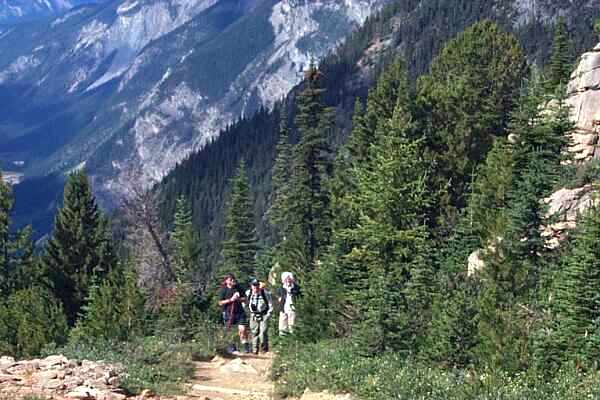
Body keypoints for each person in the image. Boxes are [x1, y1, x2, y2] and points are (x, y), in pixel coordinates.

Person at [218, 273, 250, 353]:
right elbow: (220, 302)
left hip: (239, 312)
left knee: (242, 329)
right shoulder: (223, 290)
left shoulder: (239, 288)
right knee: (230, 330)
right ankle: (231, 348)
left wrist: (239, 299)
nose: (232, 280)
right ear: (226, 281)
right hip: (228, 312)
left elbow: (246, 299)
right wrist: (231, 300)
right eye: (230, 279)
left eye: (233, 279)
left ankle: (246, 347)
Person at [245, 278, 273, 354]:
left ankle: (264, 349)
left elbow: (270, 303)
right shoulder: (248, 293)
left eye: (257, 285)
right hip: (253, 315)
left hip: (264, 314)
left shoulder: (265, 293)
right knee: (254, 332)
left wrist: (269, 314)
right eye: (254, 285)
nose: (255, 287)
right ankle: (255, 350)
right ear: (251, 286)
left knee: (263, 332)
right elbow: (245, 303)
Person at [277, 271, 301, 335]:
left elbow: (300, 297)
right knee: (282, 328)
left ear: (292, 279)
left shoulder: (297, 288)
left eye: (289, 279)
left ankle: (293, 342)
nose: (287, 280)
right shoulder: (281, 288)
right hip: (283, 310)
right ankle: (282, 343)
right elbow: (279, 298)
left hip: (293, 309)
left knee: (292, 327)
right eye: (286, 279)